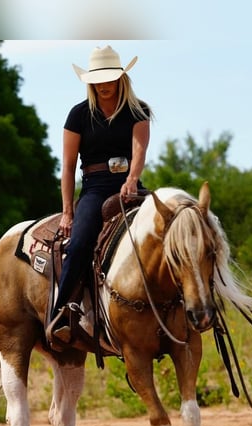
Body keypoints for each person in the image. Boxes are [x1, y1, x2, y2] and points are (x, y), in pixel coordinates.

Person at [47, 45, 153, 347]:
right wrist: (67, 211)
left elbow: (139, 149)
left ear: (121, 78)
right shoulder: (79, 115)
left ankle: (184, 306)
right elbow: (67, 167)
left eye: (109, 79)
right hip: (94, 186)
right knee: (79, 242)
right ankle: (63, 309)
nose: (104, 85)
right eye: (98, 80)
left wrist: (132, 179)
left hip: (129, 184)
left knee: (167, 228)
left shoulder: (137, 110)